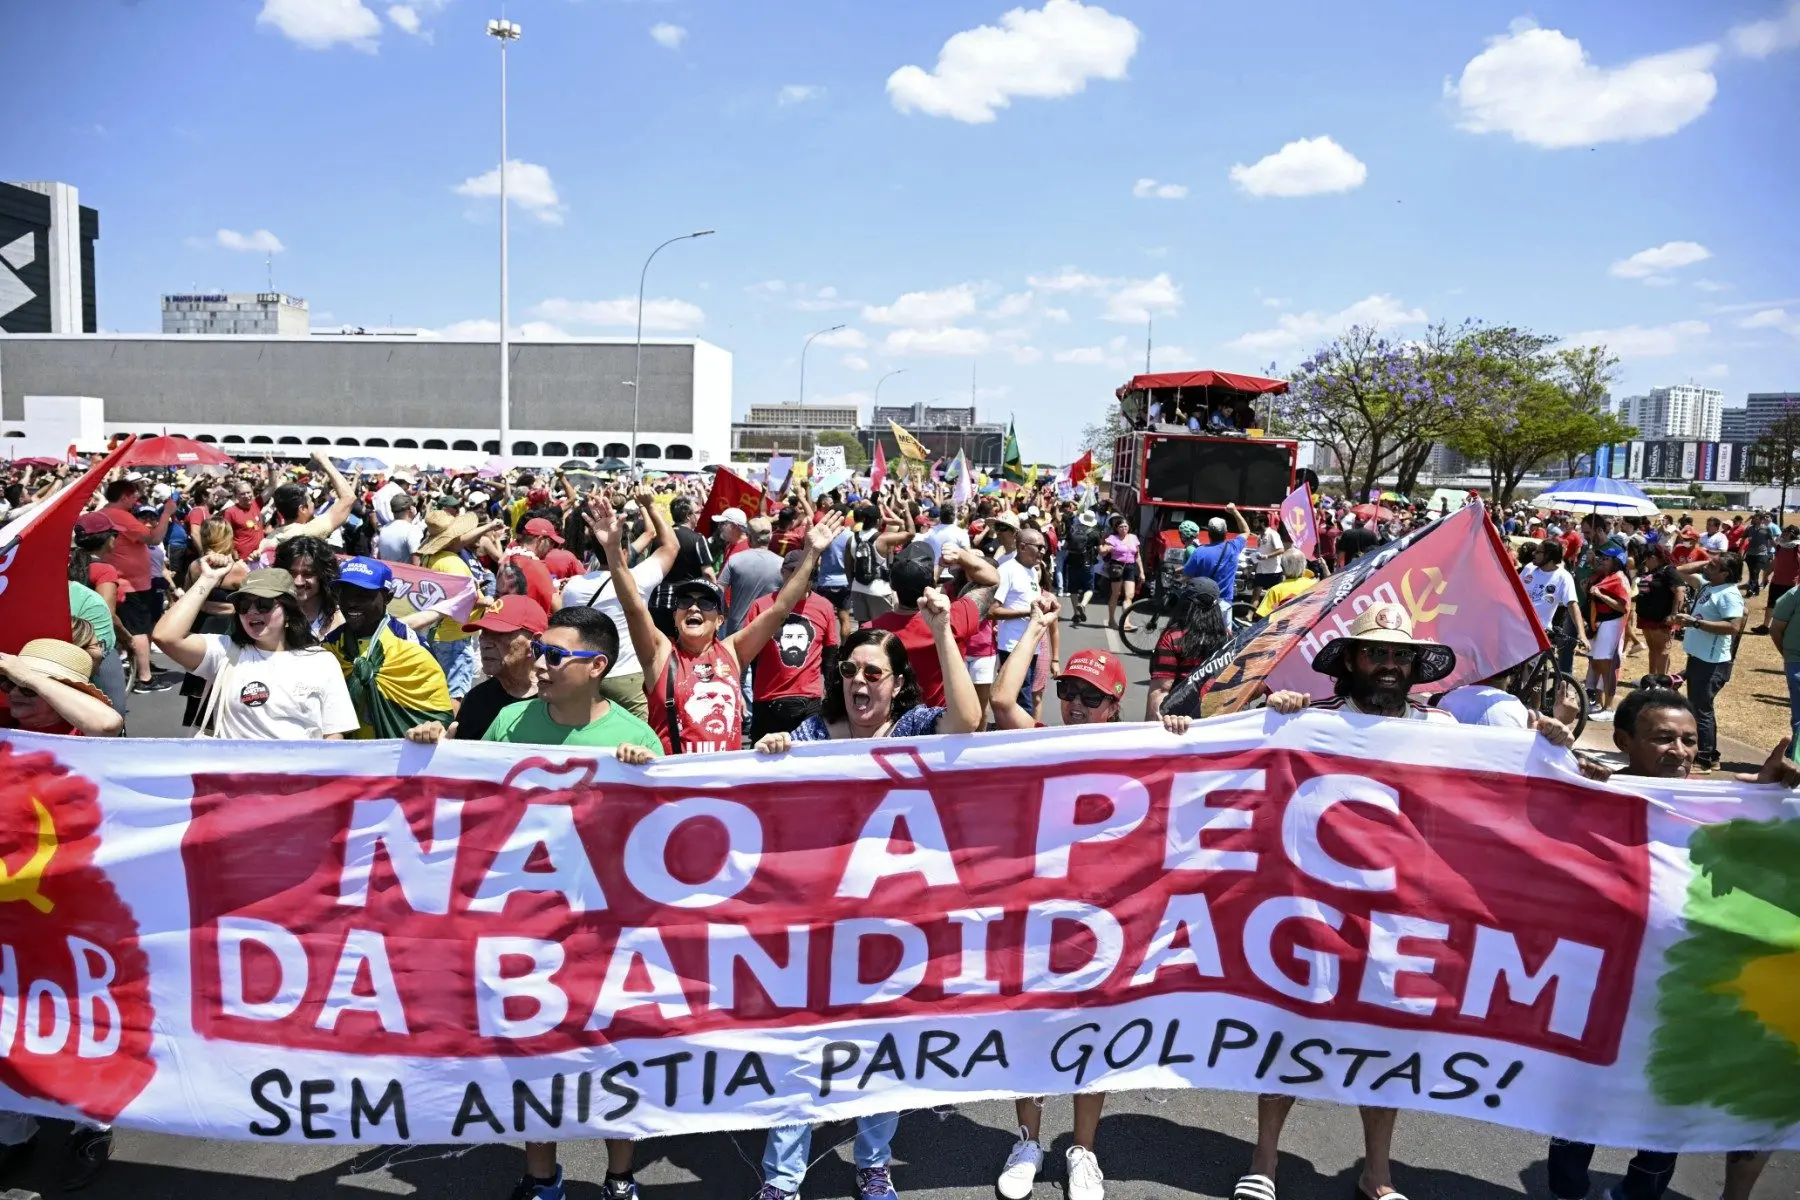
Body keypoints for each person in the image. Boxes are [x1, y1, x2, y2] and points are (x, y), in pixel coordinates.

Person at [746, 589, 981, 1200]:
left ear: (898, 684)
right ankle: (783, 1177)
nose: (858, 681)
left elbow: (969, 719)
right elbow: (758, 795)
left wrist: (942, 631)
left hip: (892, 923)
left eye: (873, 673)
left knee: (882, 1046)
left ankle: (872, 1161)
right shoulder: (811, 733)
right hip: (816, 923)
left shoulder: (916, 729)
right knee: (803, 1047)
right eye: (848, 670)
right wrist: (772, 757)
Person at [448, 603, 660, 1200]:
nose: (539, 663)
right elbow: (471, 800)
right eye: (538, 651)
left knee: (615, 1048)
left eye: (553, 654)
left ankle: (620, 1176)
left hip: (603, 925)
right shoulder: (510, 722)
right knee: (533, 1050)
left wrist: (644, 779)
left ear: (596, 667)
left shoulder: (632, 737)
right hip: (525, 919)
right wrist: (431, 751)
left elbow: (662, 841)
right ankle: (541, 1177)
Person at [1544, 687, 1781, 1200]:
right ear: (1626, 741)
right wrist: (1550, 753)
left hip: (1683, 993)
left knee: (1666, 1110)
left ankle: (1638, 1193)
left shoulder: (1718, 803)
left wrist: (1772, 797)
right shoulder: (1594, 792)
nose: (1679, 751)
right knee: (1580, 1106)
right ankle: (1567, 1191)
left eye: (1689, 740)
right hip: (1599, 991)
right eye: (1663, 739)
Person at [1256, 602, 1459, 1200]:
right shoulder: (1309, 720)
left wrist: (1550, 741)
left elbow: (1511, 781)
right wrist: (1276, 715)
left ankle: (1377, 1173)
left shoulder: (1443, 732)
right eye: (1378, 653)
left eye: (1402, 655)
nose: (1391, 664)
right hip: (1314, 903)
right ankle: (1263, 1162)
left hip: (1403, 911)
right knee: (1292, 1028)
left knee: (1385, 1038)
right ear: (1351, 660)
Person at [601, 497, 843, 755]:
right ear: (674, 616)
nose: (694, 608)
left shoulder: (734, 651)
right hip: (672, 787)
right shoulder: (659, 655)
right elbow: (633, 608)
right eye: (686, 601)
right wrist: (613, 550)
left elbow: (781, 608)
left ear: (719, 619)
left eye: (706, 603)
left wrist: (812, 553)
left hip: (723, 787)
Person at [152, 559, 359, 740]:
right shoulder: (226, 652)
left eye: (263, 604)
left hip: (300, 781)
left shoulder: (322, 661)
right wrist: (207, 579)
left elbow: (333, 735)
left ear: (288, 611)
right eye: (244, 605)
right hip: (236, 782)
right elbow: (165, 636)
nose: (251, 612)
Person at [561, 489, 681, 721]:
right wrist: (649, 505)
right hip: (629, 676)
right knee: (638, 741)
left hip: (588, 674)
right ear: (624, 551)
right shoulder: (639, 579)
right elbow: (671, 546)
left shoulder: (574, 586)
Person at [323, 557, 455, 739]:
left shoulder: (412, 647)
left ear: (388, 597)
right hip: (342, 761)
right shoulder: (329, 648)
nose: (352, 603)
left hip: (393, 762)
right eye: (345, 594)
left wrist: (431, 729)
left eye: (363, 595)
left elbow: (438, 717)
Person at [868, 542, 999, 707]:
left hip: (891, 723)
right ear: (932, 583)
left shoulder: (871, 631)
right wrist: (961, 555)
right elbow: (992, 580)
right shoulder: (952, 621)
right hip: (941, 722)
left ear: (892, 584)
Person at [402, 596, 547, 743]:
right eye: (484, 631)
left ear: (534, 643)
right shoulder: (477, 700)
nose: (484, 642)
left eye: (499, 633)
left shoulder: (559, 702)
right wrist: (435, 740)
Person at [745, 549, 839, 738]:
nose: (802, 577)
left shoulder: (824, 606)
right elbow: (749, 654)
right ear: (783, 572)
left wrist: (832, 698)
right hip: (768, 700)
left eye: (808, 571)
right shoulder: (761, 606)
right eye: (795, 571)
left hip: (809, 701)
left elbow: (830, 657)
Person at [1670, 551, 1746, 771]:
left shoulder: (1729, 594)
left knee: (1702, 709)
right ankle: (1706, 754)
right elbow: (1680, 571)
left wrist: (1694, 623)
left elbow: (1733, 627)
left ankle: (1706, 757)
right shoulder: (1708, 584)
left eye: (1714, 566)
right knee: (1697, 706)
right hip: (1699, 657)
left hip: (1712, 662)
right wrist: (1709, 562)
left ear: (1726, 573)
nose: (1707, 568)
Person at [100, 477, 177, 693]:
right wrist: (166, 513)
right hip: (130, 584)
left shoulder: (108, 513)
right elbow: (153, 538)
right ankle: (145, 679)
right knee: (139, 630)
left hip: (125, 581)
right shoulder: (120, 516)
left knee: (134, 628)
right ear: (124, 496)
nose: (137, 498)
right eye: (134, 494)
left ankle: (141, 666)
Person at [0, 634, 124, 737]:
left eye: (28, 689)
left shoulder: (81, 733)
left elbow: (107, 725)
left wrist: (29, 678)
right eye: (10, 683)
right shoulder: (5, 721)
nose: (13, 693)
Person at [1144, 576, 1228, 719]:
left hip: (1178, 721)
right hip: (1216, 720)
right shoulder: (1227, 638)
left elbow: (1160, 690)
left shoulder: (1173, 638)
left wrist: (1149, 730)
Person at [990, 526, 1046, 716]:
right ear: (1023, 547)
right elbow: (992, 610)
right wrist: (1026, 612)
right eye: (1039, 547)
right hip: (1013, 646)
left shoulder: (1031, 571)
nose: (1043, 551)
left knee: (1026, 698)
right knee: (1023, 703)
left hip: (1031, 645)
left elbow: (1030, 603)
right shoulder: (1007, 570)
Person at [1520, 538, 1588, 674]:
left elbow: (1572, 605)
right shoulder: (1529, 568)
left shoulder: (1563, 577)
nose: (1534, 554)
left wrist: (1582, 634)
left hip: (1539, 633)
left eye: (1538, 552)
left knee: (1534, 680)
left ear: (1549, 557)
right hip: (1516, 628)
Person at [1585, 546, 1632, 719]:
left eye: (1606, 559)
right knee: (1596, 664)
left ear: (1616, 562)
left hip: (1613, 624)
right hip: (1600, 622)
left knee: (1607, 666)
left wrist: (1600, 595)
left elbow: (1623, 606)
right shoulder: (1605, 577)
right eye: (1601, 558)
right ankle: (1598, 703)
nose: (1601, 560)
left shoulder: (1620, 578)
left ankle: (1608, 707)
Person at [719, 516, 785, 635]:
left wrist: (723, 611)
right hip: (767, 632)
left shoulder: (735, 560)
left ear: (749, 538)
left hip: (737, 631)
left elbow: (719, 591)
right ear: (770, 537)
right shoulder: (781, 564)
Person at [1182, 504, 1251, 617]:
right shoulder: (1233, 547)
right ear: (1226, 532)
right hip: (1224, 603)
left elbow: (1187, 577)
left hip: (1202, 604)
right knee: (1223, 633)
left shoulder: (1199, 552)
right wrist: (1234, 511)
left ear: (1209, 533)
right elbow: (1246, 530)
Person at [1633, 542, 1687, 679]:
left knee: (1662, 651)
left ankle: (1661, 682)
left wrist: (1674, 614)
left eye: (1646, 558)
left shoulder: (1668, 570)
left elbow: (1680, 590)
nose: (1644, 562)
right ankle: (1651, 679)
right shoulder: (1651, 572)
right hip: (1646, 617)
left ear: (1653, 557)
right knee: (1653, 650)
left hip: (1661, 618)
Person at [273, 535, 342, 639]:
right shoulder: (270, 615)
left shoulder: (340, 620)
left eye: (308, 574)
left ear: (323, 576)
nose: (298, 582)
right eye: (291, 573)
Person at [1254, 547, 1316, 618]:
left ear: (1283, 567)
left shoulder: (1275, 590)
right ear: (1304, 565)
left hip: (1283, 627)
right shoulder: (1315, 584)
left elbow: (1262, 617)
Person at [377, 492, 423, 562]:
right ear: (411, 509)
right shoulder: (413, 530)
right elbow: (416, 564)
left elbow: (379, 557)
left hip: (386, 572)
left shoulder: (384, 528)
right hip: (403, 573)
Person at [922, 501, 970, 568]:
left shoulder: (930, 532)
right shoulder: (962, 533)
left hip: (933, 573)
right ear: (955, 515)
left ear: (940, 515)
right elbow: (968, 558)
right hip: (953, 575)